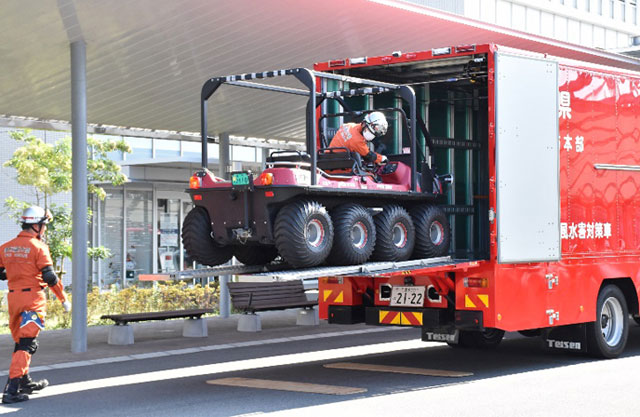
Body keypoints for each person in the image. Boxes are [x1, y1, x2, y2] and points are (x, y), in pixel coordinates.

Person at [0, 206, 70, 404]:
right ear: (36, 225)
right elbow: (50, 276)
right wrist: (63, 299)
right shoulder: (39, 247)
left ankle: (25, 382)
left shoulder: (6, 247)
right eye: (44, 225)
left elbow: (0, 273)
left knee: (21, 343)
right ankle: (11, 390)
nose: (45, 229)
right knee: (26, 344)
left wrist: (16, 274)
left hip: (13, 300)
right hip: (32, 301)